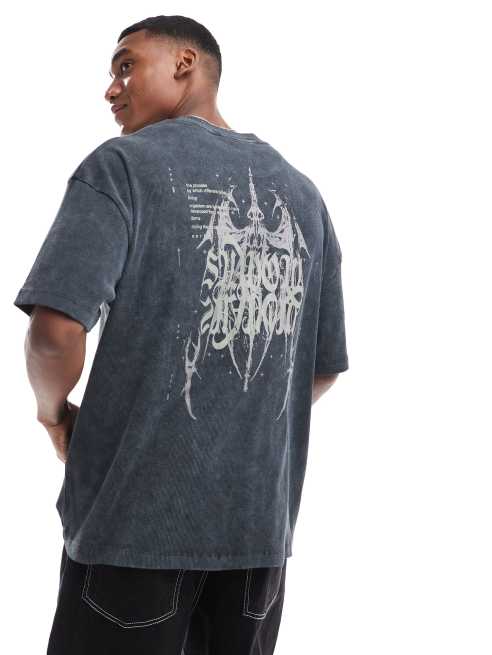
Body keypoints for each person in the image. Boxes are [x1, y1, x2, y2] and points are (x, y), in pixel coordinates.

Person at [13, 14, 349, 655]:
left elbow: (55, 331)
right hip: (255, 545)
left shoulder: (122, 167)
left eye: (126, 66)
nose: (111, 89)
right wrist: (228, 420)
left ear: (185, 64)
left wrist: (53, 416)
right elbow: (322, 364)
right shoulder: (304, 196)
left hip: (133, 533)